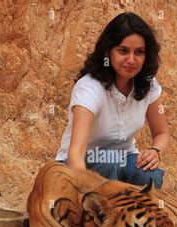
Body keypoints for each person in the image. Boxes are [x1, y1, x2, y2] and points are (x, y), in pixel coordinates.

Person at [55, 12, 169, 188]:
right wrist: (82, 188)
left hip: (124, 158)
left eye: (139, 52)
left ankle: (135, 214)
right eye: (123, 51)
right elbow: (76, 153)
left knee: (150, 175)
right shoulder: (90, 88)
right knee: (109, 165)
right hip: (80, 162)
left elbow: (162, 134)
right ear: (108, 52)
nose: (131, 60)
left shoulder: (148, 85)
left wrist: (155, 152)